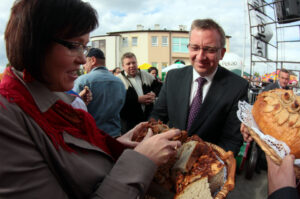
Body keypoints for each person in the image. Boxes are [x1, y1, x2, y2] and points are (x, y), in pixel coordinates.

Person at [0, 1, 182, 198]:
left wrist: (115, 146)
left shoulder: (53, 93)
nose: (82, 59)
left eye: (84, 48)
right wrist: (141, 160)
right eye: (74, 46)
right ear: (35, 43)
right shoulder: (6, 117)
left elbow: (72, 163)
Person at [151, 19, 249, 155]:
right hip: (168, 158)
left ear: (222, 53)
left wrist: (204, 167)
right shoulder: (173, 77)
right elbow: (157, 117)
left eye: (210, 50)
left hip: (209, 165)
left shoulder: (238, 87)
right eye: (195, 48)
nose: (200, 56)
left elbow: (231, 141)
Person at [74, 48, 126, 137]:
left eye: (85, 62)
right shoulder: (120, 82)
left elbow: (74, 111)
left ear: (93, 60)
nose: (83, 66)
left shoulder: (82, 81)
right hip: (115, 136)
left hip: (92, 137)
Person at [117, 52, 161, 133]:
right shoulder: (118, 80)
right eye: (128, 63)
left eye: (134, 62)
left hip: (147, 121)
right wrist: (137, 100)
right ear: (123, 66)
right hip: (128, 124)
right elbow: (118, 100)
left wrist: (154, 93)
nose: (132, 65)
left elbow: (160, 87)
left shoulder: (146, 75)